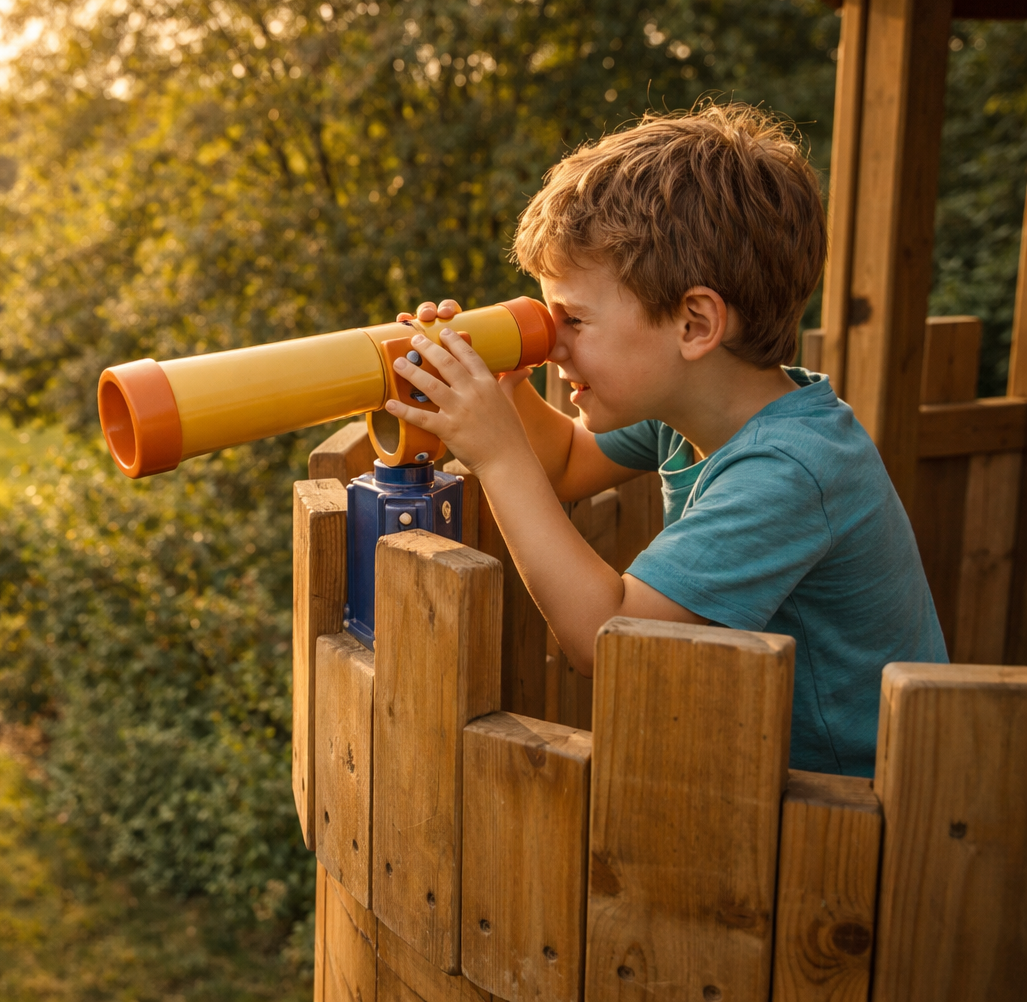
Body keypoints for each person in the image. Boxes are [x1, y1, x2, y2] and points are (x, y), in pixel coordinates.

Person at [385, 102, 947, 778]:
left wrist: (498, 451)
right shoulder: (695, 405)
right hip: (786, 792)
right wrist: (504, 388)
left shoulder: (793, 470)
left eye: (574, 319)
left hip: (863, 816)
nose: (554, 340)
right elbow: (562, 464)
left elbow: (611, 636)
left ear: (693, 323)